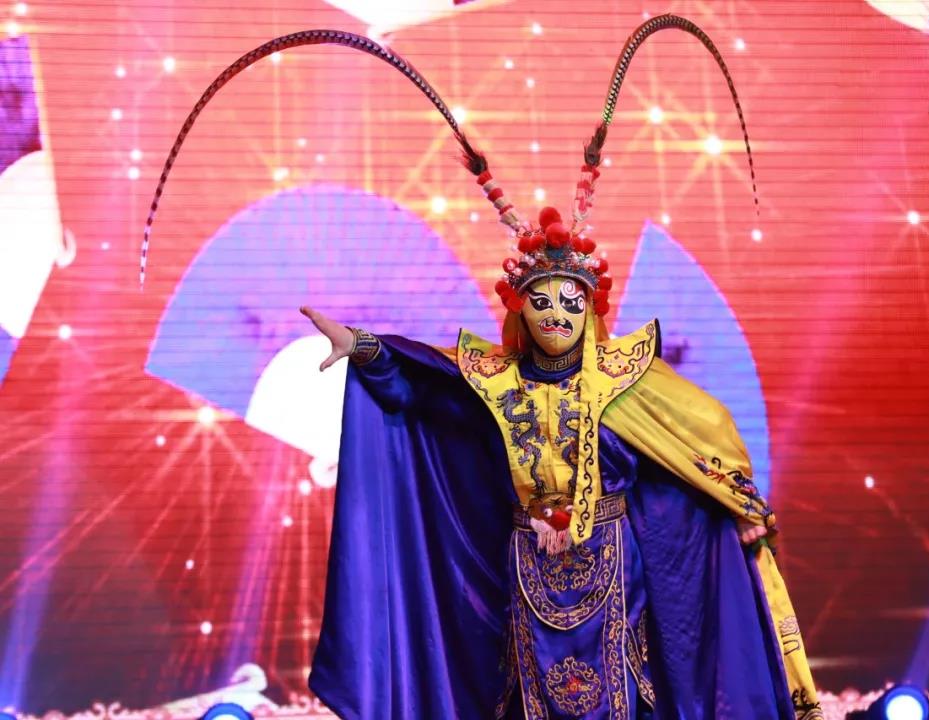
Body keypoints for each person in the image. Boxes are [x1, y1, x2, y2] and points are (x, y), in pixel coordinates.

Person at [142, 14, 821, 720]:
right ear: (519, 310)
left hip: (617, 567)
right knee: (527, 696)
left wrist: (739, 507)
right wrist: (368, 351)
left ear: (591, 309)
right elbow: (421, 396)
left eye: (570, 302)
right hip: (527, 568)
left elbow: (702, 433)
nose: (556, 314)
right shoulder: (494, 382)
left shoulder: (627, 380)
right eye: (541, 301)